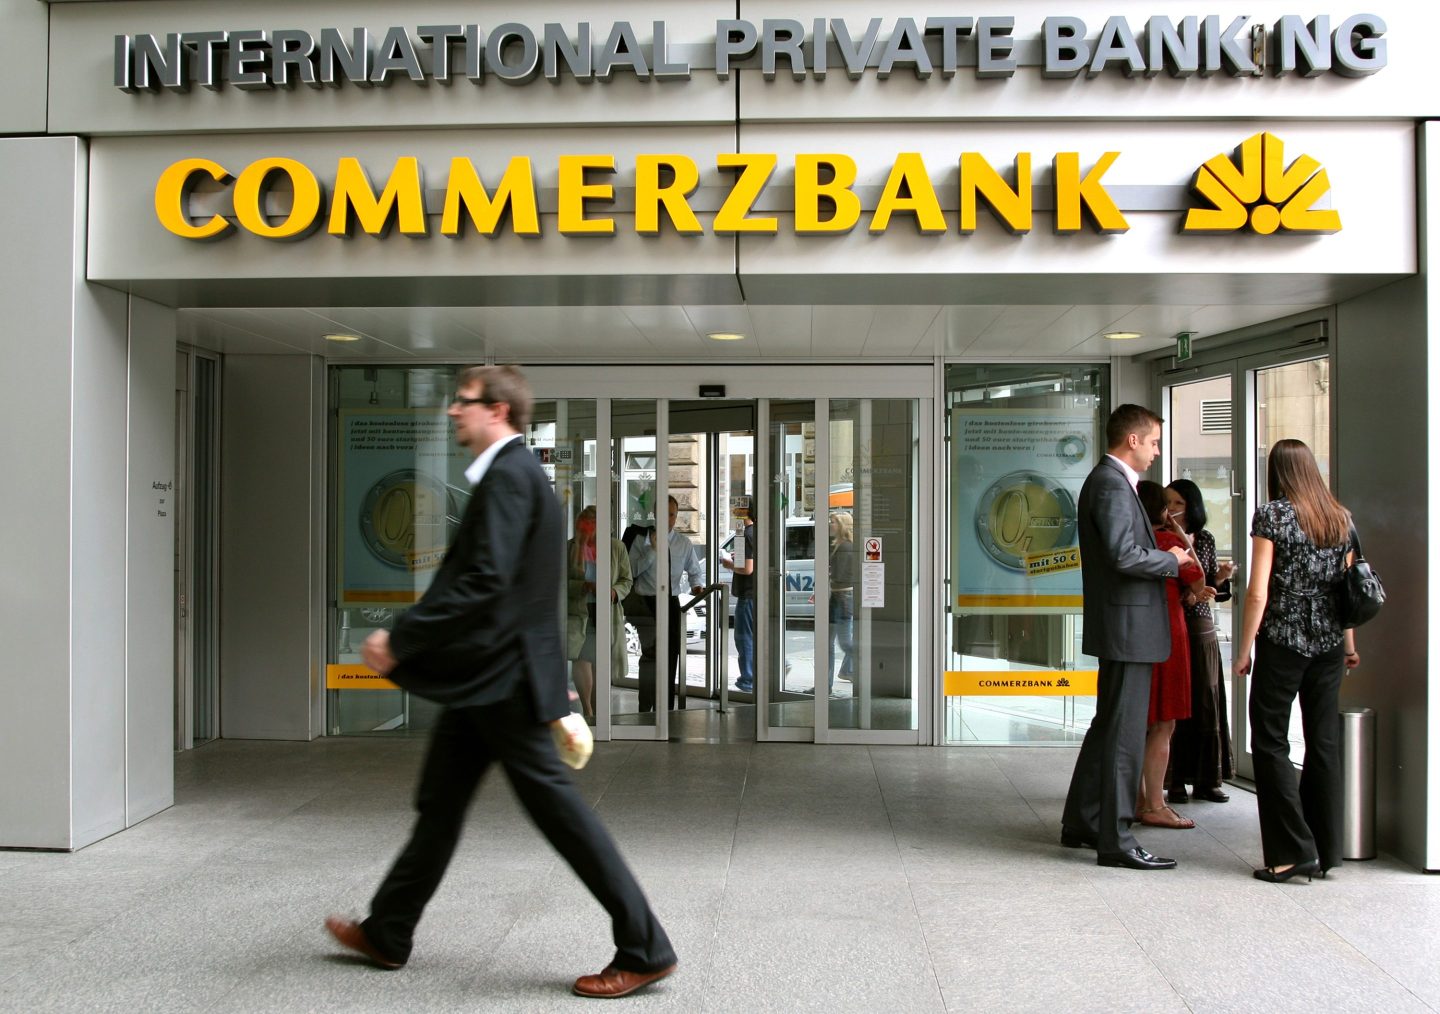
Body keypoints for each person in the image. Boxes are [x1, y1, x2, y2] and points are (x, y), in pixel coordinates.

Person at [325, 365, 677, 999]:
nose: (454, 413)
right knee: (439, 806)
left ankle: (645, 946)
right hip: (488, 682)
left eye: (464, 403)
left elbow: (481, 581)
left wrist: (400, 638)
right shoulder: (510, 477)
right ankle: (389, 931)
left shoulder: (511, 479)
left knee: (562, 817)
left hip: (506, 685)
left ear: (499, 411)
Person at [1060, 404, 1190, 871]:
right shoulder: (1112, 484)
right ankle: (1115, 838)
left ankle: (1082, 820)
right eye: (1153, 441)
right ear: (1132, 440)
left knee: (1108, 728)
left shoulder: (1110, 481)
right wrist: (1171, 561)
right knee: (1124, 734)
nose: (1156, 452)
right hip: (1127, 626)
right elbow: (1122, 554)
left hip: (1123, 625)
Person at [1233, 438, 1360, 883]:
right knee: (1323, 743)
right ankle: (1326, 853)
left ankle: (1291, 853)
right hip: (1327, 646)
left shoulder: (1273, 515)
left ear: (1277, 473)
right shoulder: (1338, 517)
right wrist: (1348, 644)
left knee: (1270, 741)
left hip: (1283, 642)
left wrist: (1244, 647)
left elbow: (1257, 591)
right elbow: (1349, 590)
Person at [1134, 481, 1206, 831]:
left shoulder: (1134, 543)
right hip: (1169, 637)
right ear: (1161, 510)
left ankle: (1134, 797)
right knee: (1165, 723)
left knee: (1138, 720)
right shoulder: (1169, 542)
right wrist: (1179, 532)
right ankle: (1155, 803)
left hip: (1138, 635)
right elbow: (1198, 580)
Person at [1165, 478, 1236, 805]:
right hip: (1176, 623)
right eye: (1168, 503)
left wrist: (1220, 579)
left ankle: (1209, 779)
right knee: (1178, 701)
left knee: (1207, 699)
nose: (1172, 510)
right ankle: (1175, 779)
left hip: (1201, 627)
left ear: (1191, 507)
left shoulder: (1204, 539)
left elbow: (1211, 589)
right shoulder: (1163, 538)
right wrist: (1188, 598)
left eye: (1178, 504)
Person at [626, 495, 705, 712]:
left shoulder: (683, 543)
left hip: (671, 602)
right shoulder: (641, 540)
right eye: (663, 514)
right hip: (645, 603)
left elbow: (694, 572)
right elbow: (630, 571)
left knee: (671, 656)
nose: (668, 519)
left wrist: (697, 586)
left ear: (676, 516)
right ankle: (645, 707)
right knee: (651, 656)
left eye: (672, 514)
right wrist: (652, 550)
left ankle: (666, 707)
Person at [567, 504, 633, 720]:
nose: (589, 530)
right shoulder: (569, 549)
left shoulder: (616, 548)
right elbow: (558, 582)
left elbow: (626, 580)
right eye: (585, 525)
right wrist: (582, 586)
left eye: (593, 525)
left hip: (606, 609)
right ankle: (587, 710)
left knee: (601, 661)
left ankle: (598, 713)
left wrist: (614, 592)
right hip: (580, 610)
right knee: (581, 657)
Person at [720, 516, 756, 693]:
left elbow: (747, 568)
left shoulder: (743, 535)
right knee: (753, 637)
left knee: (744, 638)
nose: (733, 518)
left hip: (747, 594)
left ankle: (747, 680)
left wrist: (728, 563)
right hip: (755, 593)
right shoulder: (756, 531)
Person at [828, 513, 858, 694]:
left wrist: (828, 576)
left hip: (843, 599)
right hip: (837, 597)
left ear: (842, 526)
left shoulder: (846, 547)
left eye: (833, 522)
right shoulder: (839, 545)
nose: (830, 525)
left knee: (845, 643)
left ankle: (858, 666)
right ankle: (828, 682)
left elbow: (841, 576)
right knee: (827, 643)